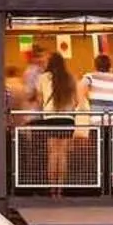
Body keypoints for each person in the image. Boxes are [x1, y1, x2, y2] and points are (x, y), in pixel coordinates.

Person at [39, 51, 80, 192]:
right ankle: (60, 188)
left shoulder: (43, 78)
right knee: (63, 154)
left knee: (52, 153)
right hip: (67, 118)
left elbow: (40, 99)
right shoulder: (71, 78)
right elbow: (77, 101)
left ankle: (51, 188)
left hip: (50, 117)